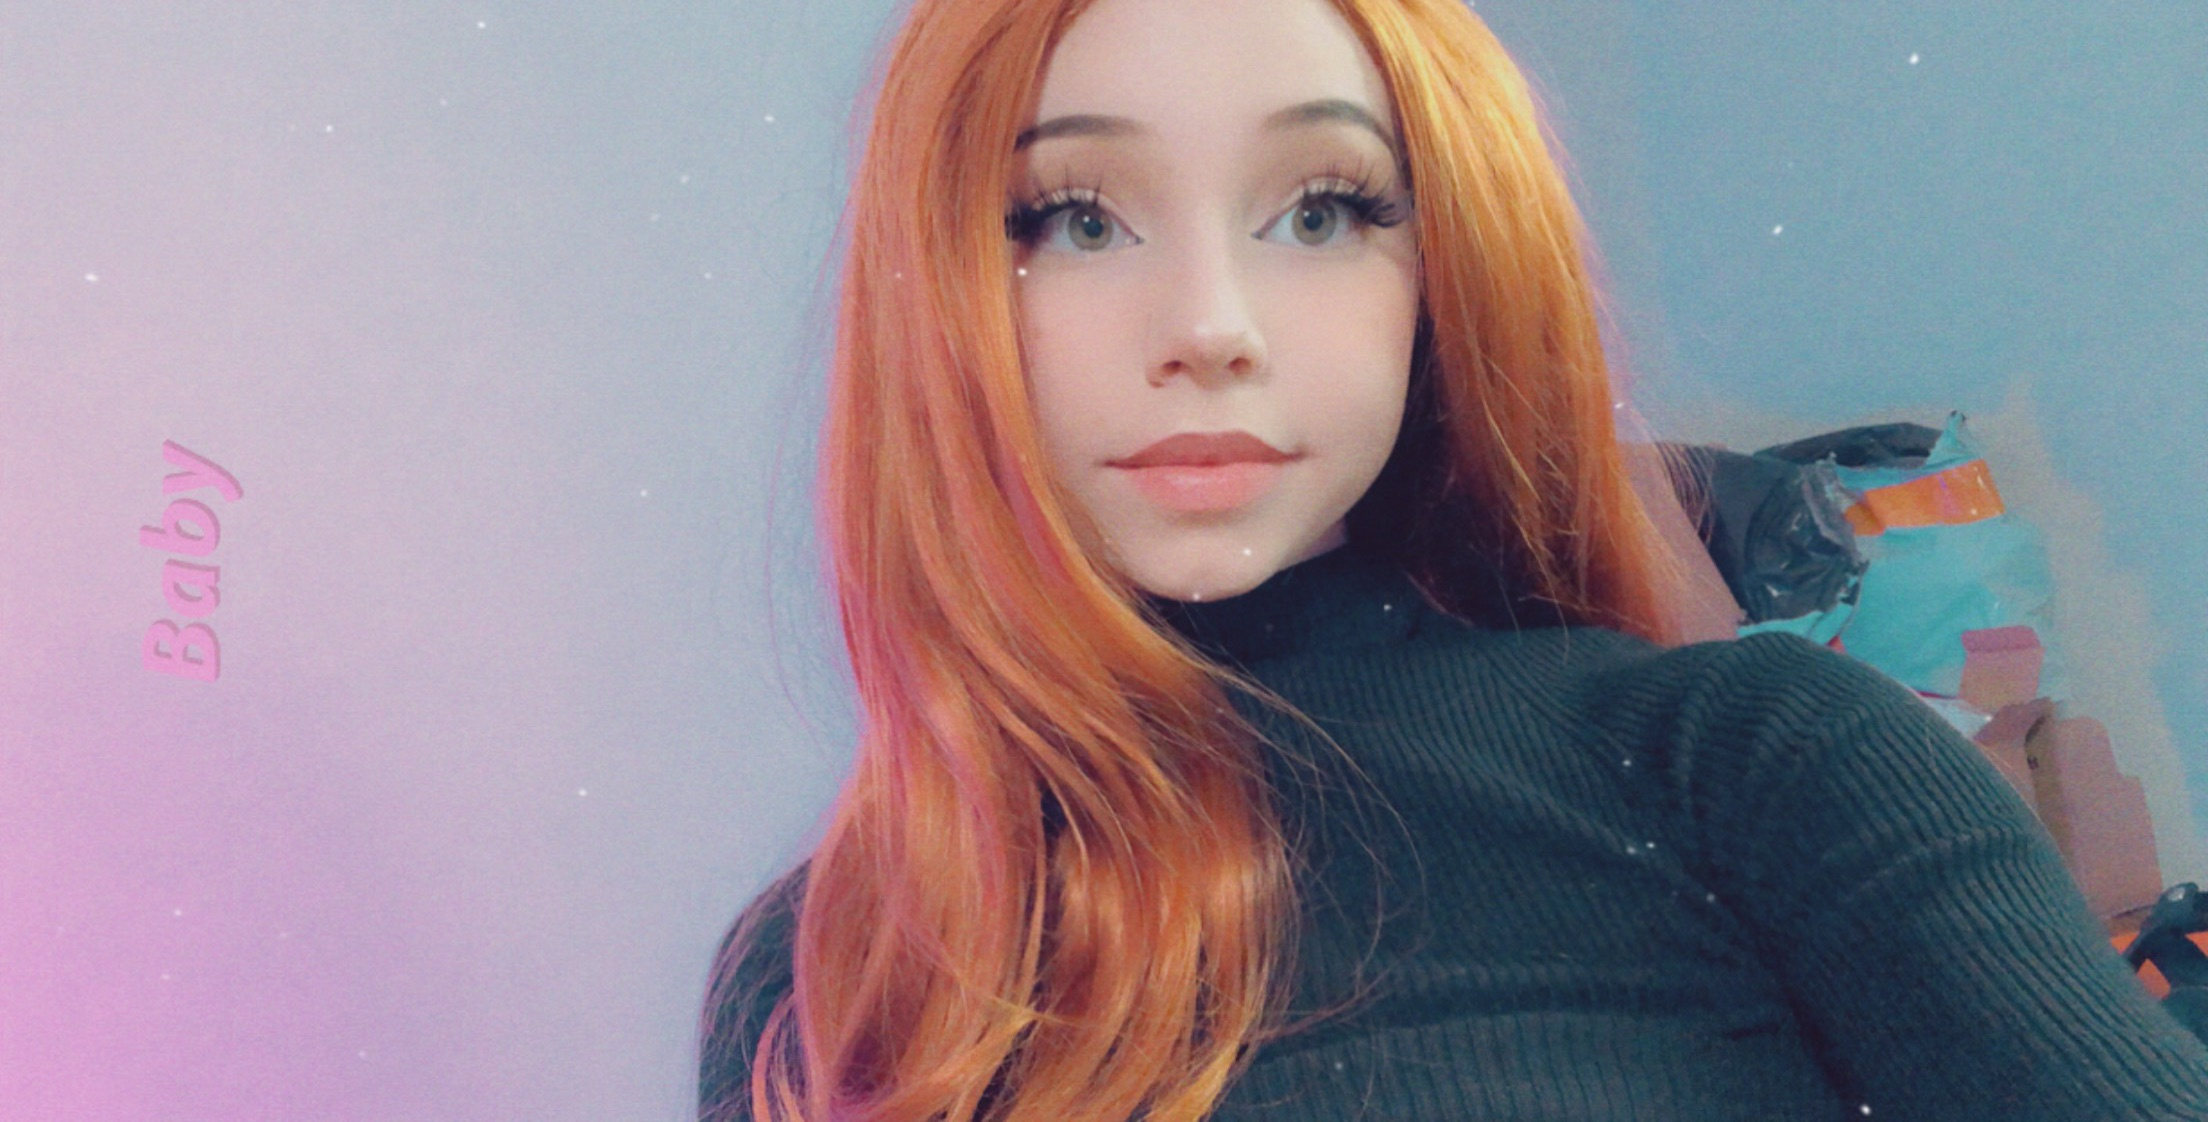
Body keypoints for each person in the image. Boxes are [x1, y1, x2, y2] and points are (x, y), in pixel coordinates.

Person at [699, 0, 2208, 1118]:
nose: (1211, 326)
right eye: (1077, 219)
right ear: (942, 278)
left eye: (1321, 211)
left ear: (1443, 270)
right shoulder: (831, 965)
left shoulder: (1758, 761)